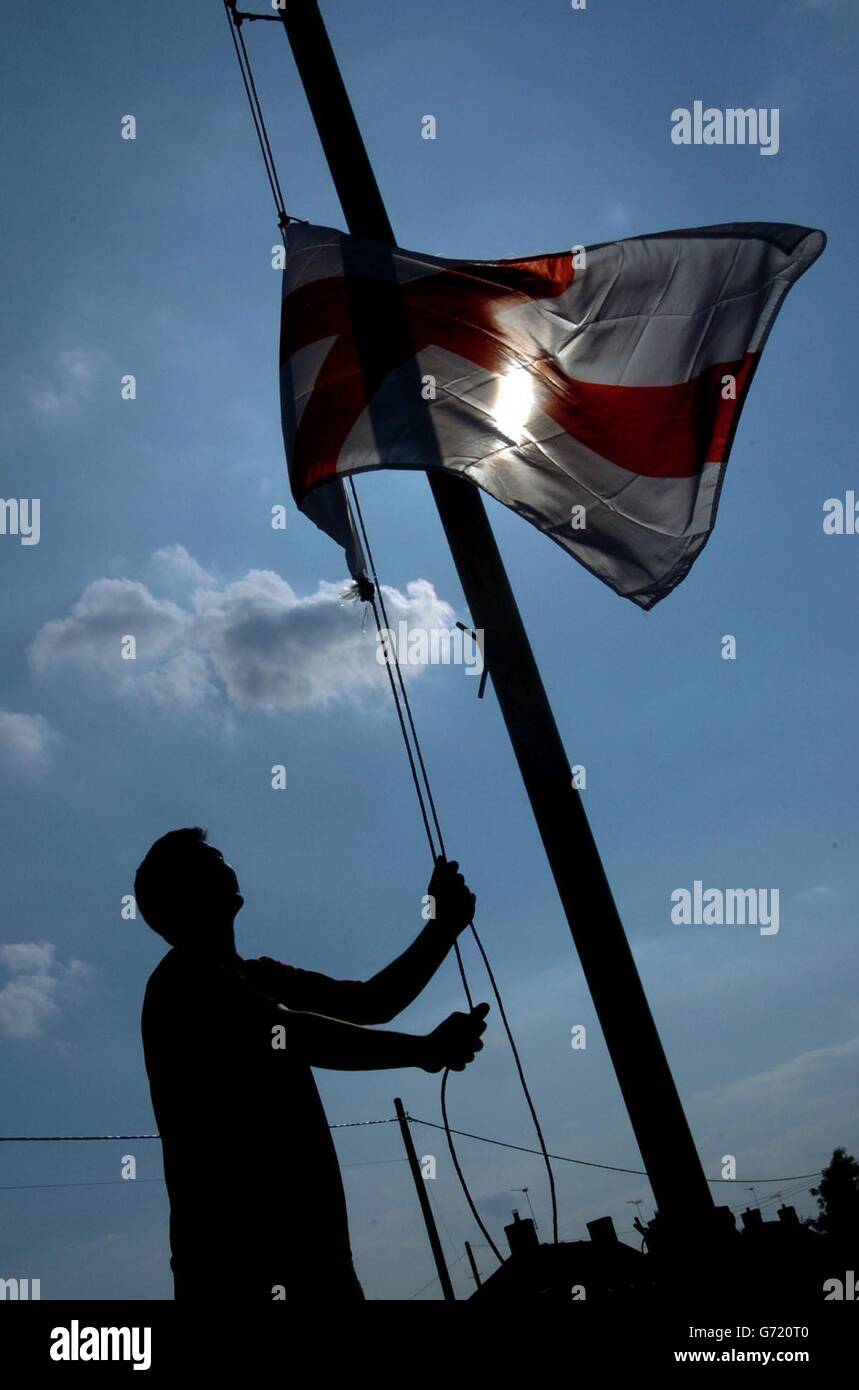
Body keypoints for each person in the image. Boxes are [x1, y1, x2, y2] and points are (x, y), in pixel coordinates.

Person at [137, 827, 488, 1303]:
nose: (223, 861)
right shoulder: (179, 985)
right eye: (208, 858)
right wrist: (424, 1051)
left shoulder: (259, 975)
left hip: (316, 1258)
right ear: (181, 895)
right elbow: (290, 1034)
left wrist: (442, 926)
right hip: (233, 1265)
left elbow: (370, 1002)